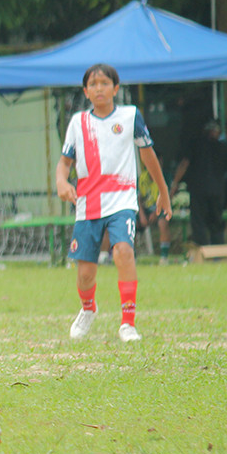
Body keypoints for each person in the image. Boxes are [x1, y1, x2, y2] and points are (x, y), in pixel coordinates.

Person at [55, 63, 171, 343]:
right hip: (88, 205)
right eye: (93, 84)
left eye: (105, 83)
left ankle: (127, 322)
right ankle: (88, 308)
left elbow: (148, 154)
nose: (99, 88)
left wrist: (163, 191)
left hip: (122, 201)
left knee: (123, 252)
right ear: (86, 91)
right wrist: (61, 182)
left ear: (116, 89)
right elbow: (65, 163)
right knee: (85, 274)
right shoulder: (78, 123)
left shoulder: (130, 116)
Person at [169, 119, 227, 246]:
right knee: (216, 221)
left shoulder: (195, 145)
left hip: (199, 190)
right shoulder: (223, 148)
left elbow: (184, 164)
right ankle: (218, 250)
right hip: (217, 191)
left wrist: (174, 184)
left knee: (199, 222)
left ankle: (202, 249)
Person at [137, 160, 171, 264]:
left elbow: (166, 196)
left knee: (163, 223)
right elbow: (138, 198)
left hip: (159, 208)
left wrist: (156, 213)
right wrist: (142, 215)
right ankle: (132, 256)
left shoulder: (164, 177)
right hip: (145, 209)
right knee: (131, 222)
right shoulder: (142, 178)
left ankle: (164, 257)